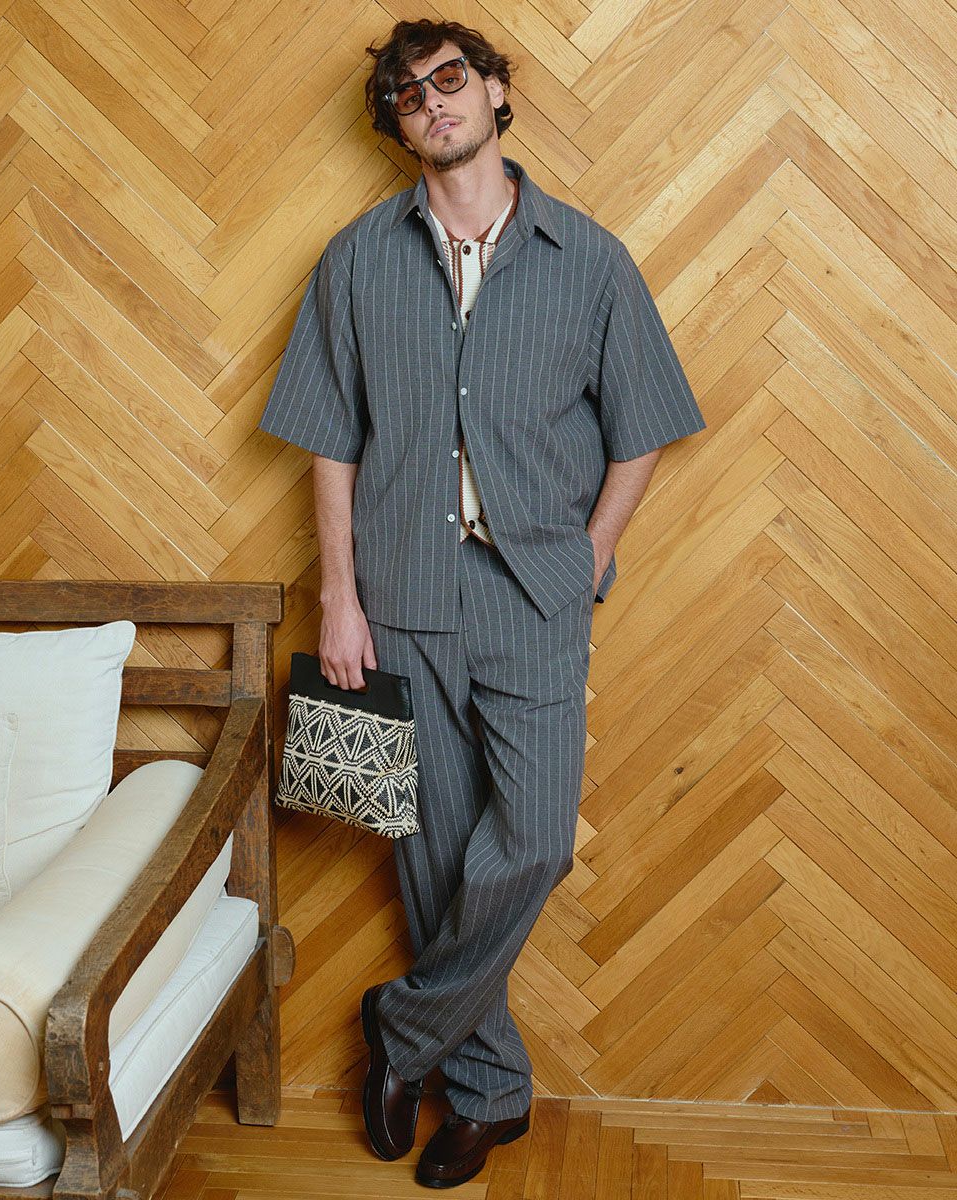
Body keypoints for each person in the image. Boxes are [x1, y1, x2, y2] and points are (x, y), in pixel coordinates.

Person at [258, 18, 707, 1188]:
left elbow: (644, 429)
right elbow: (329, 443)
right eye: (407, 95)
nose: (432, 102)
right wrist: (339, 602)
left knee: (532, 843)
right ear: (397, 127)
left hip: (534, 595)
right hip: (398, 598)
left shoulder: (588, 259)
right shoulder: (355, 260)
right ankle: (490, 1096)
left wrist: (589, 560)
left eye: (450, 79)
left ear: (498, 94)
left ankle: (400, 1027)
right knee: (433, 857)